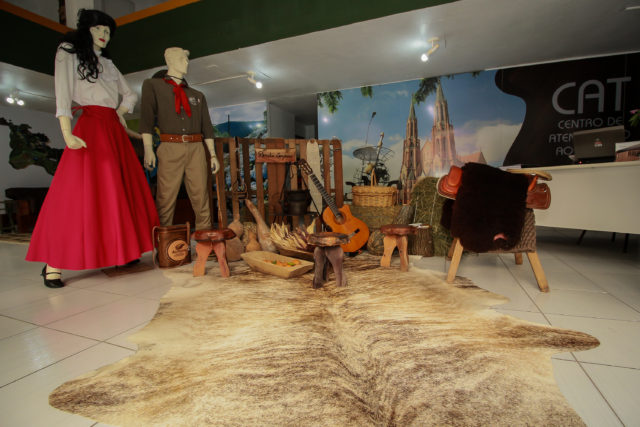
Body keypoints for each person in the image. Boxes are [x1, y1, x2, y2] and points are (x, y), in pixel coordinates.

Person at [26, 9, 160, 288]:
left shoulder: (108, 63)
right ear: (86, 30)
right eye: (99, 29)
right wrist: (66, 133)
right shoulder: (67, 52)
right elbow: (63, 94)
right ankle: (53, 263)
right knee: (76, 196)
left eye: (108, 31)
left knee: (118, 191)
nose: (104, 35)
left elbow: (129, 94)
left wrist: (119, 113)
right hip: (90, 128)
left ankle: (122, 251)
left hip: (112, 130)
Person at [139, 47, 220, 232]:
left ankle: (205, 240)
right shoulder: (153, 86)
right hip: (169, 146)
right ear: (169, 60)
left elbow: (207, 128)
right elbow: (146, 119)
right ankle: (164, 242)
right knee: (165, 197)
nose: (186, 63)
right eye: (182, 59)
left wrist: (213, 154)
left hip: (196, 147)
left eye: (187, 59)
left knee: (201, 196)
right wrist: (148, 149)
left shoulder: (197, 96)